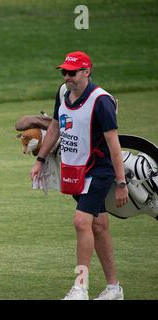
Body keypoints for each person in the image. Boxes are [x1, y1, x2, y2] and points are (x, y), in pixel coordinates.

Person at [31, 51, 128, 300]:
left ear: (87, 72)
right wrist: (41, 159)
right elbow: (54, 126)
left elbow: (114, 145)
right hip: (75, 170)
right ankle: (114, 288)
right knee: (99, 225)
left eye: (72, 73)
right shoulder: (62, 93)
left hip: (99, 170)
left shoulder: (101, 101)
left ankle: (81, 287)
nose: (67, 77)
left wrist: (121, 183)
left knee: (81, 222)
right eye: (64, 72)